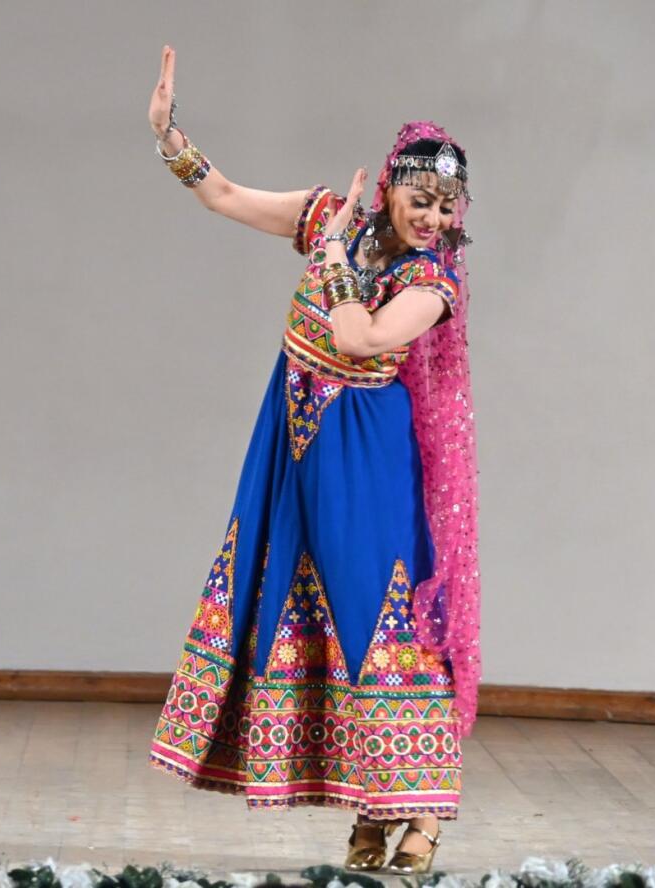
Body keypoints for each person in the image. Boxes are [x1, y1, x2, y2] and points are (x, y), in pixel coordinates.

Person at [144, 46, 482, 875]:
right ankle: (370, 808)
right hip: (292, 443)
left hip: (364, 456)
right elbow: (225, 195)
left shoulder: (433, 281)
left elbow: (359, 337)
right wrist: (169, 137)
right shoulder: (335, 216)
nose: (432, 218)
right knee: (305, 607)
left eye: (447, 206)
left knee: (378, 617)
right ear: (390, 188)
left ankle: (423, 815)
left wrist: (330, 257)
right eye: (420, 199)